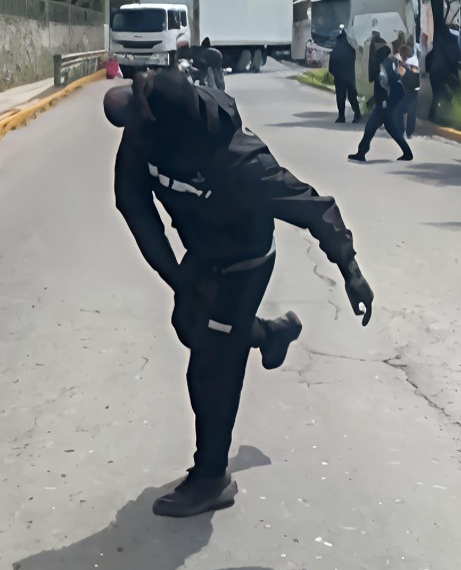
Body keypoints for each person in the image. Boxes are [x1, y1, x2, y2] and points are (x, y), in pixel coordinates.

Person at [108, 69, 375, 516]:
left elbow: (313, 206)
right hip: (203, 251)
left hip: (245, 259)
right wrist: (177, 277)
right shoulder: (143, 134)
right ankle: (269, 334)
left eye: (138, 121)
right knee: (188, 323)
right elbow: (132, 203)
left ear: (173, 133)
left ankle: (212, 477)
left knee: (210, 368)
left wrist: (349, 268)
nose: (129, 130)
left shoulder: (241, 163)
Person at [350, 39, 414, 163]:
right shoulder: (391, 62)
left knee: (370, 128)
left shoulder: (382, 66)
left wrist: (383, 101)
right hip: (388, 103)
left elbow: (384, 85)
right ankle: (407, 153)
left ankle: (361, 153)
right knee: (392, 130)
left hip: (384, 104)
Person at [328, 27, 360, 123]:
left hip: (339, 77)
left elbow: (331, 63)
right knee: (352, 96)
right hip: (351, 76)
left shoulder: (337, 46)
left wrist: (335, 74)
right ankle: (357, 114)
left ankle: (341, 116)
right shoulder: (353, 47)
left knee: (340, 97)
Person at [366, 31, 390, 109]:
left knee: (379, 97)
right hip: (383, 76)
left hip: (380, 76)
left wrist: (372, 75)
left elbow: (375, 64)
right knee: (383, 96)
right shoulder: (386, 50)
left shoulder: (379, 52)